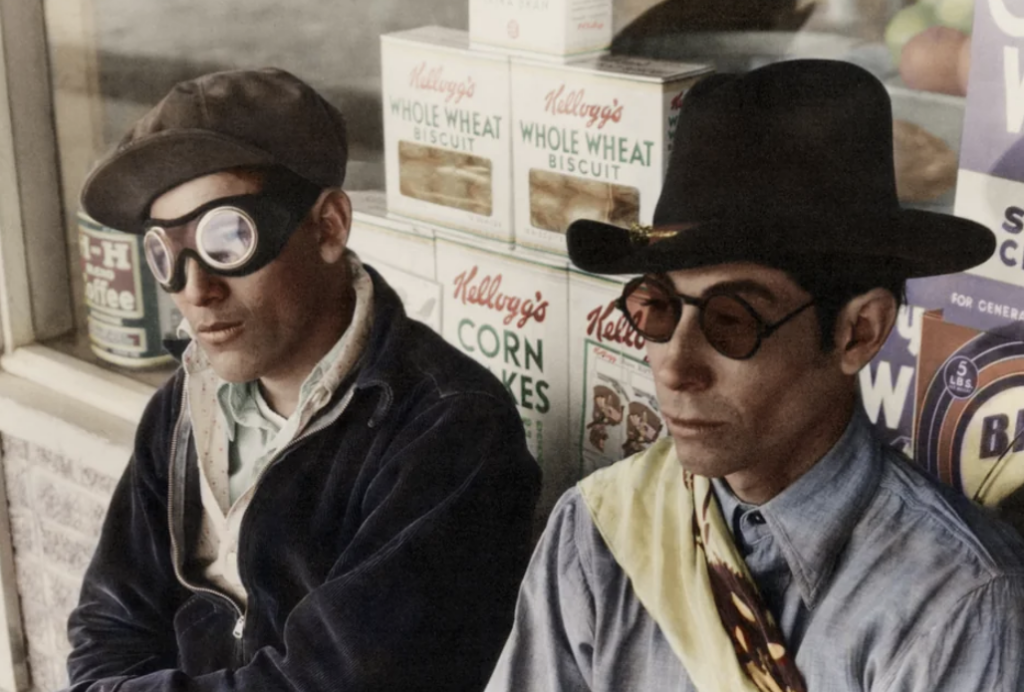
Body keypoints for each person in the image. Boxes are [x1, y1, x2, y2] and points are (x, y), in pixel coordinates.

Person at [485, 59, 1024, 692]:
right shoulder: (602, 531)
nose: (675, 368)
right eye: (657, 310)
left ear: (859, 333)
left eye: (732, 321)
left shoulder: (949, 603)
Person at [65, 68, 540, 692]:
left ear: (328, 227)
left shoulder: (449, 429)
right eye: (166, 253)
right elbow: (109, 624)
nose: (196, 290)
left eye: (228, 237)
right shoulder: (183, 408)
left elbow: (337, 683)